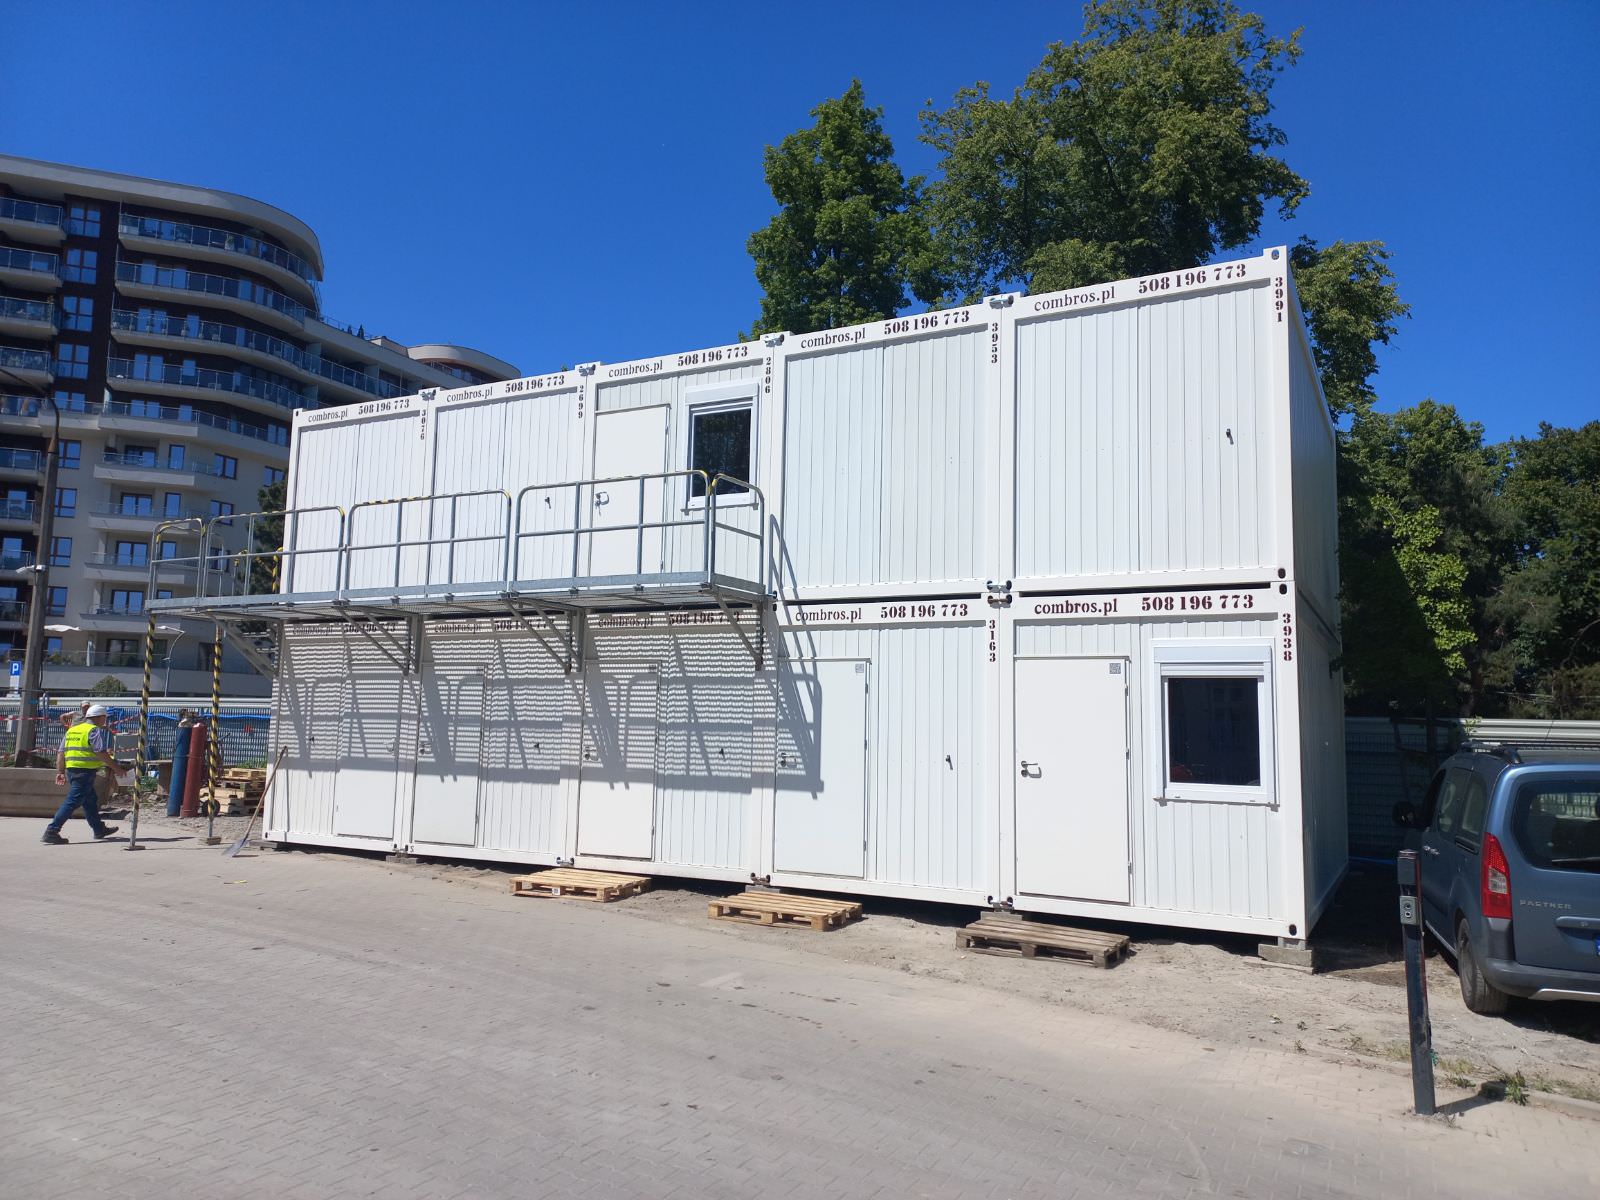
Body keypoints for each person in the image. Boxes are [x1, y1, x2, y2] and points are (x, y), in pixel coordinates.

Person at [45, 704, 121, 845]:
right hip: (84, 773)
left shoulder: (72, 730)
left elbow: (61, 752)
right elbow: (100, 752)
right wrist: (117, 768)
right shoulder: (93, 731)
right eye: (104, 718)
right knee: (72, 801)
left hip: (72, 771)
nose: (105, 721)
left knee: (90, 801)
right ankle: (52, 830)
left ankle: (99, 829)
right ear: (100, 717)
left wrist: (60, 771)